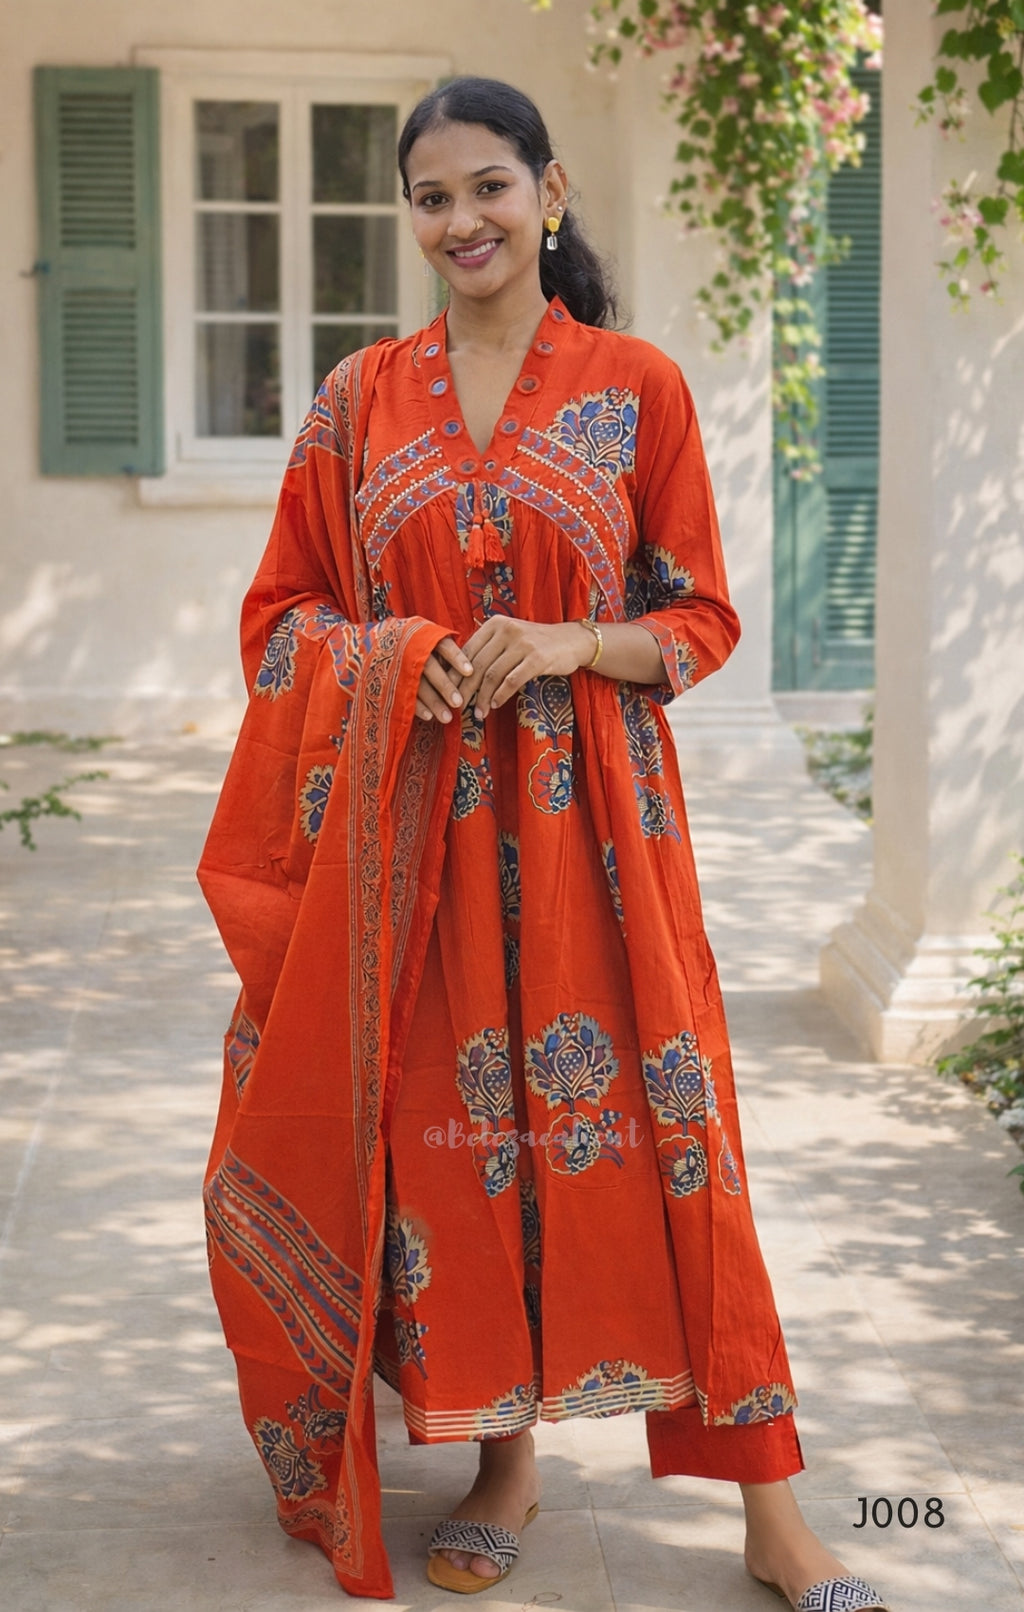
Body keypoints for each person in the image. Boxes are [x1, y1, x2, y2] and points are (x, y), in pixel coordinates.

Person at [198, 75, 889, 1612]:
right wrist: (391, 657)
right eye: (432, 198)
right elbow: (281, 620)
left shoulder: (635, 385)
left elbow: (700, 619)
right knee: (463, 1155)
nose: (463, 222)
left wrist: (573, 644)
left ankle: (774, 1508)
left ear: (550, 191)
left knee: (676, 1153)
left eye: (490, 187)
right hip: (419, 843)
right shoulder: (357, 399)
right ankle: (501, 1458)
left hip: (602, 851)